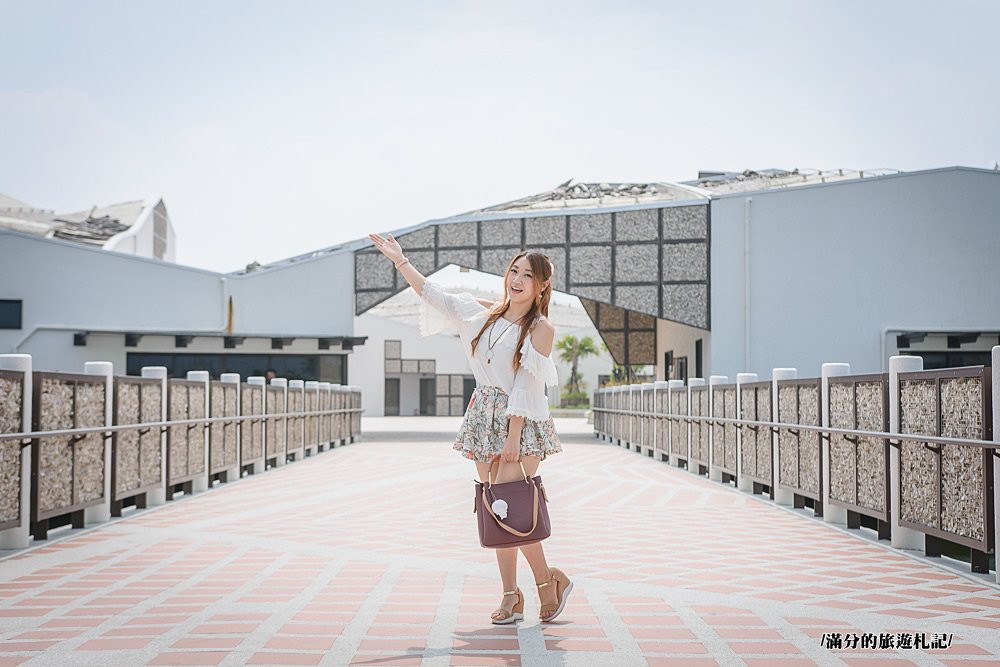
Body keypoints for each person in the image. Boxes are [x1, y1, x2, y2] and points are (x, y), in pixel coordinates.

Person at [368, 232, 573, 625]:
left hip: (520, 419)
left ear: (542, 285)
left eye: (527, 275)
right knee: (498, 508)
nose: (516, 279)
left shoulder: (541, 329)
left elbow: (528, 386)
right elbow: (433, 294)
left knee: (513, 501)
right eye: (514, 270)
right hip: (483, 415)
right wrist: (401, 261)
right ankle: (512, 595)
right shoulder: (483, 314)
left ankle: (547, 583)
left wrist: (513, 437)